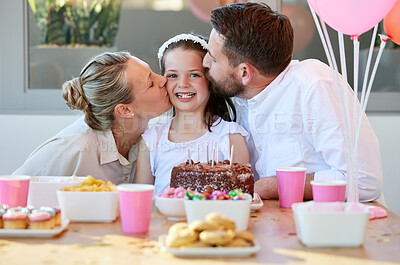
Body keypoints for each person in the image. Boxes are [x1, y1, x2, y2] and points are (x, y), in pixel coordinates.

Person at [202, 2, 383, 202]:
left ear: (244, 72)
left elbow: (364, 182)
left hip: (330, 226)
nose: (205, 63)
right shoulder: (239, 94)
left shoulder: (315, 86)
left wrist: (272, 185)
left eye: (213, 58)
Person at [13, 51, 172, 184]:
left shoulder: (156, 138)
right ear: (124, 110)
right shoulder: (71, 148)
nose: (163, 80)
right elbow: (10, 192)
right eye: (150, 83)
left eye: (153, 73)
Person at [135, 33, 250, 196]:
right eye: (173, 75)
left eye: (194, 75)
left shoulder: (231, 137)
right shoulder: (152, 140)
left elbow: (240, 200)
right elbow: (141, 202)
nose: (183, 84)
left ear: (210, 79)